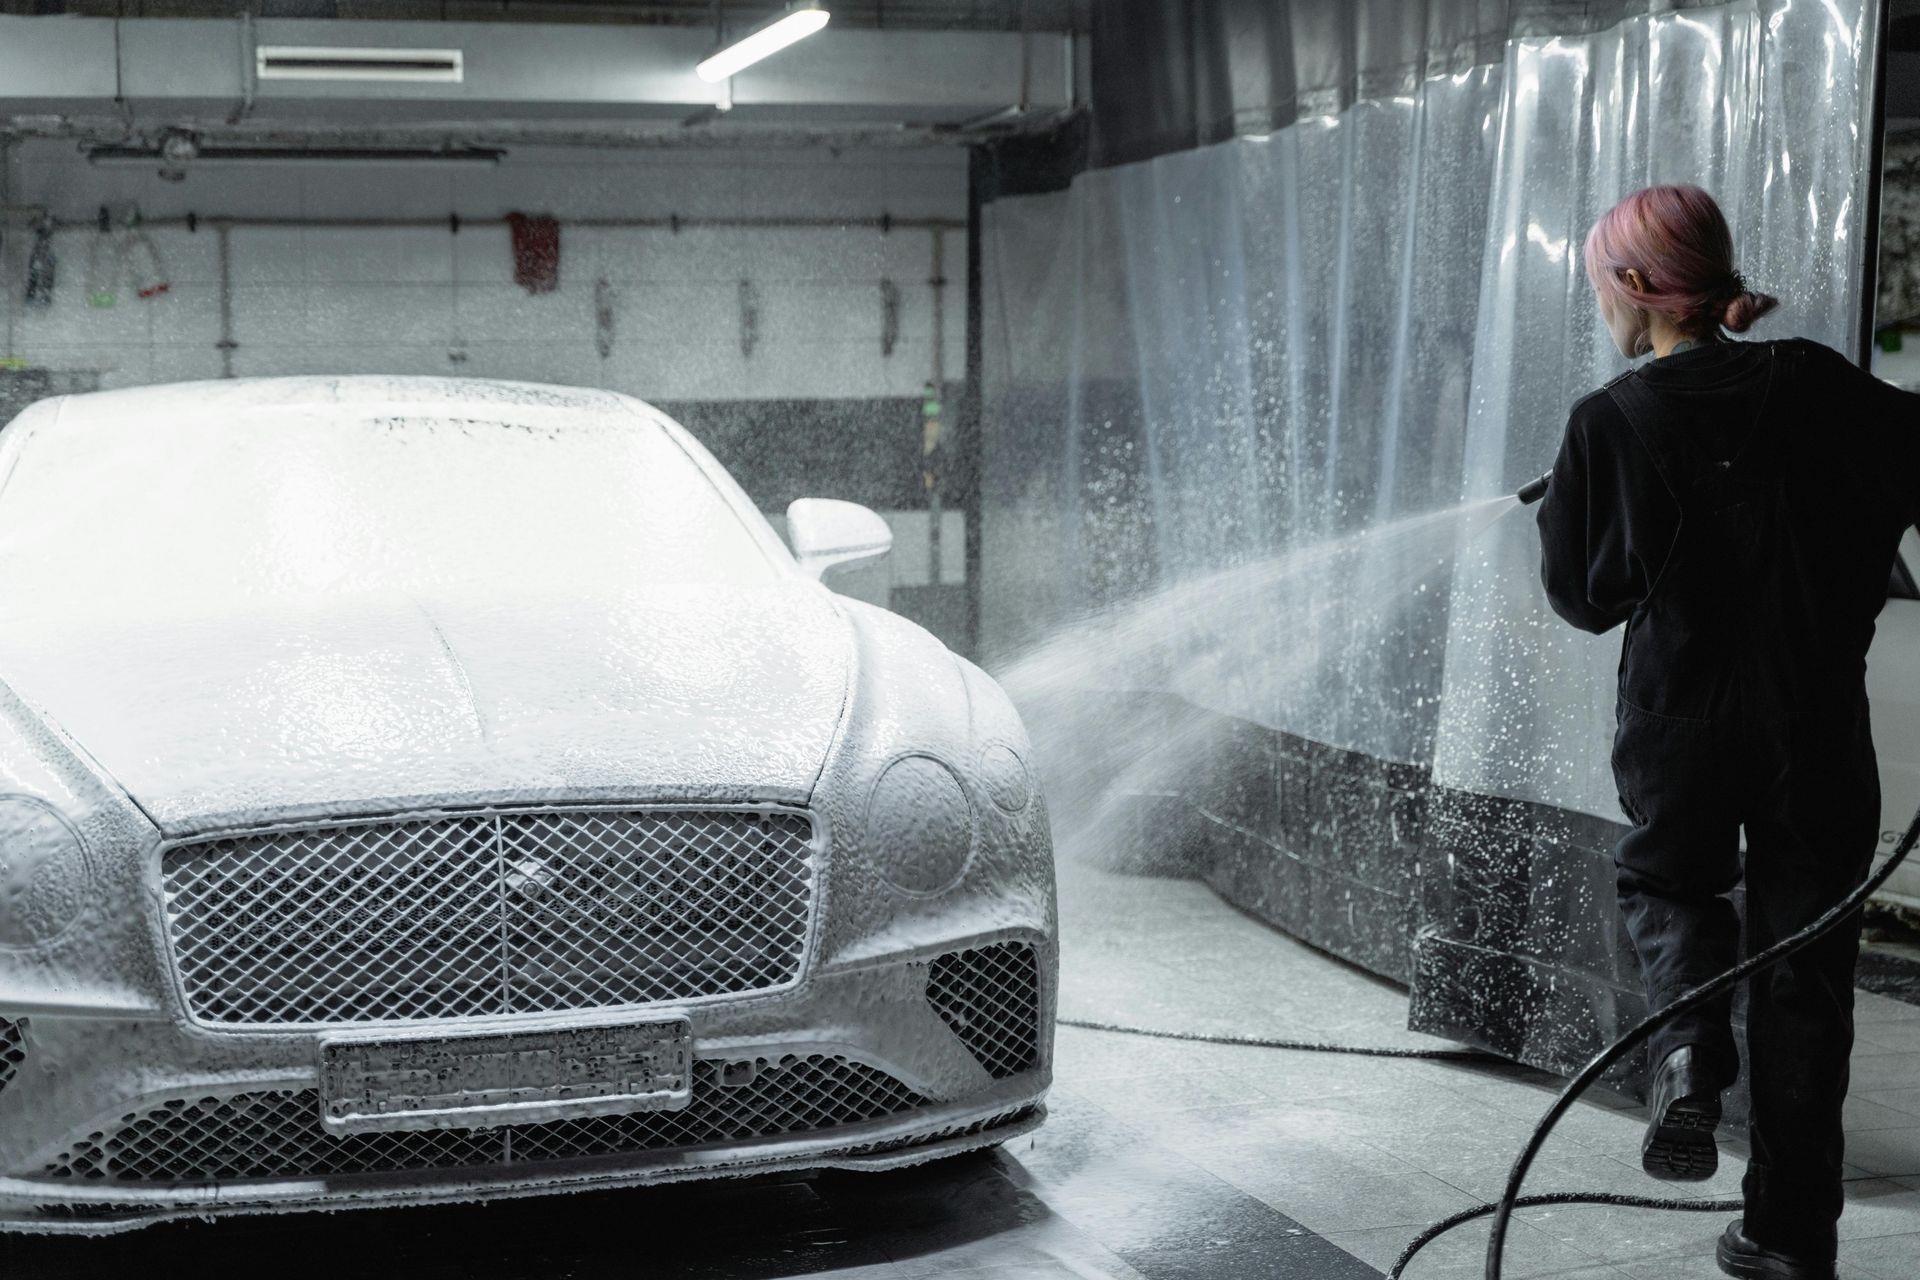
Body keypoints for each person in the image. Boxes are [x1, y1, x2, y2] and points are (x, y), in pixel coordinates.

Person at [1535, 183, 1920, 1280]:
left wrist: (1590, 492)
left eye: (1603, 287)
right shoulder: (1819, 383)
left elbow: (1584, 597)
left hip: (1681, 723)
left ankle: (1691, 1054)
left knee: (1669, 887)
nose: (1601, 307)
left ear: (1637, 286)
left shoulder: (1608, 421)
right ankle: (1788, 1236)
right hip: (1818, 725)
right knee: (1806, 972)